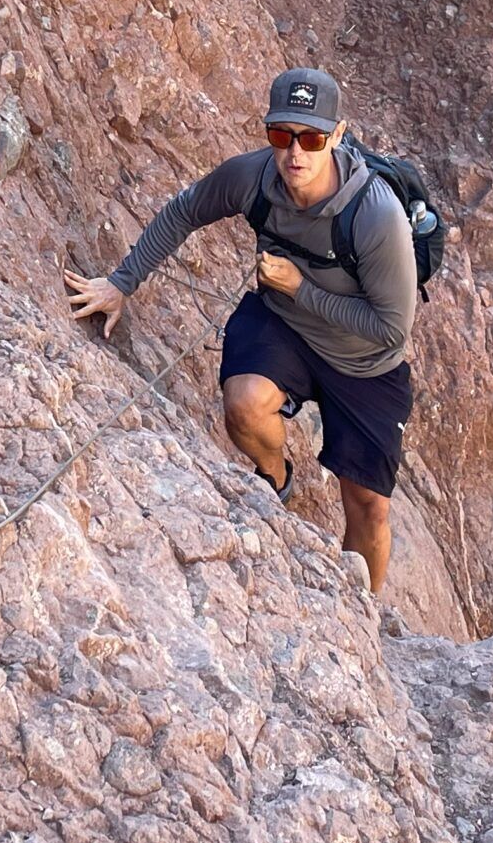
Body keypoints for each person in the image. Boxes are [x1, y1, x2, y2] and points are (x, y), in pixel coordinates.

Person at [63, 68, 419, 591]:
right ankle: (276, 479)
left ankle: (361, 612)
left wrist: (301, 288)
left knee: (368, 506)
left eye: (313, 138)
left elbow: (391, 329)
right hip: (284, 323)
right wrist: (122, 282)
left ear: (337, 137)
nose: (296, 153)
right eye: (283, 135)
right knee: (244, 405)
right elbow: (187, 210)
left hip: (364, 359)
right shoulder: (254, 179)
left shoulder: (374, 216)